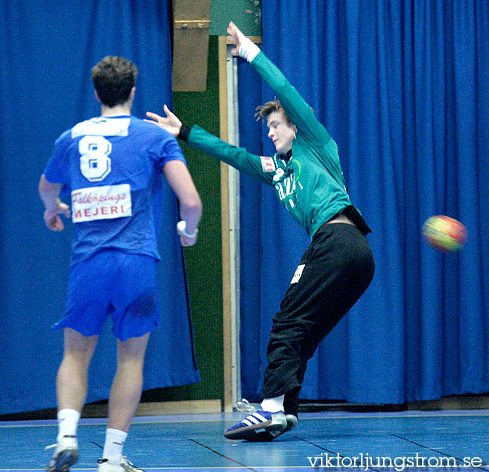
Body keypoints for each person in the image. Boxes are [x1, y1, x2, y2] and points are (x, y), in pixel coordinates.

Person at [146, 22, 375, 442]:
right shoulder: (276, 170)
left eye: (276, 126)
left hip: (340, 241)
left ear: (295, 128)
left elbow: (285, 90)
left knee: (286, 322)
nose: (270, 133)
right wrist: (184, 132)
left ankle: (268, 408)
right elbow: (233, 155)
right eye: (267, 128)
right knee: (303, 329)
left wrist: (249, 52)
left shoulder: (316, 146)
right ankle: (285, 409)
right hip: (351, 254)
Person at [39, 56, 202, 471]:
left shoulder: (72, 137)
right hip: (136, 264)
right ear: (132, 91)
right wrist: (189, 230)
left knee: (75, 355)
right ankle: (111, 458)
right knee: (130, 359)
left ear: (96, 93)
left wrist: (52, 209)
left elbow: (47, 186)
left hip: (88, 265)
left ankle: (66, 436)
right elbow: (191, 201)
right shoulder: (153, 137)